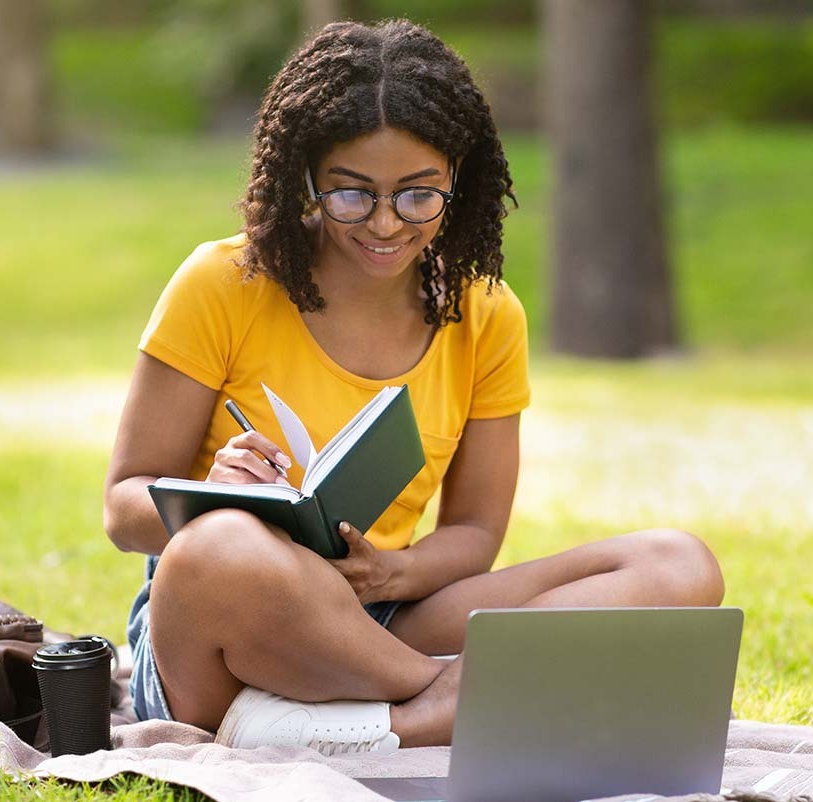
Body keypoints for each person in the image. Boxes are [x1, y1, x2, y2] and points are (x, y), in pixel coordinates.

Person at [102, 19, 724, 754]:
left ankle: (392, 719)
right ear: (306, 176)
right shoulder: (221, 283)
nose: (387, 224)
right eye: (353, 195)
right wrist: (212, 490)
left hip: (379, 616)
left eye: (418, 195)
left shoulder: (486, 313)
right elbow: (122, 507)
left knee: (677, 565)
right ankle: (457, 698)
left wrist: (391, 570)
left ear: (457, 182)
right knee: (221, 548)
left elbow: (475, 535)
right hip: (222, 634)